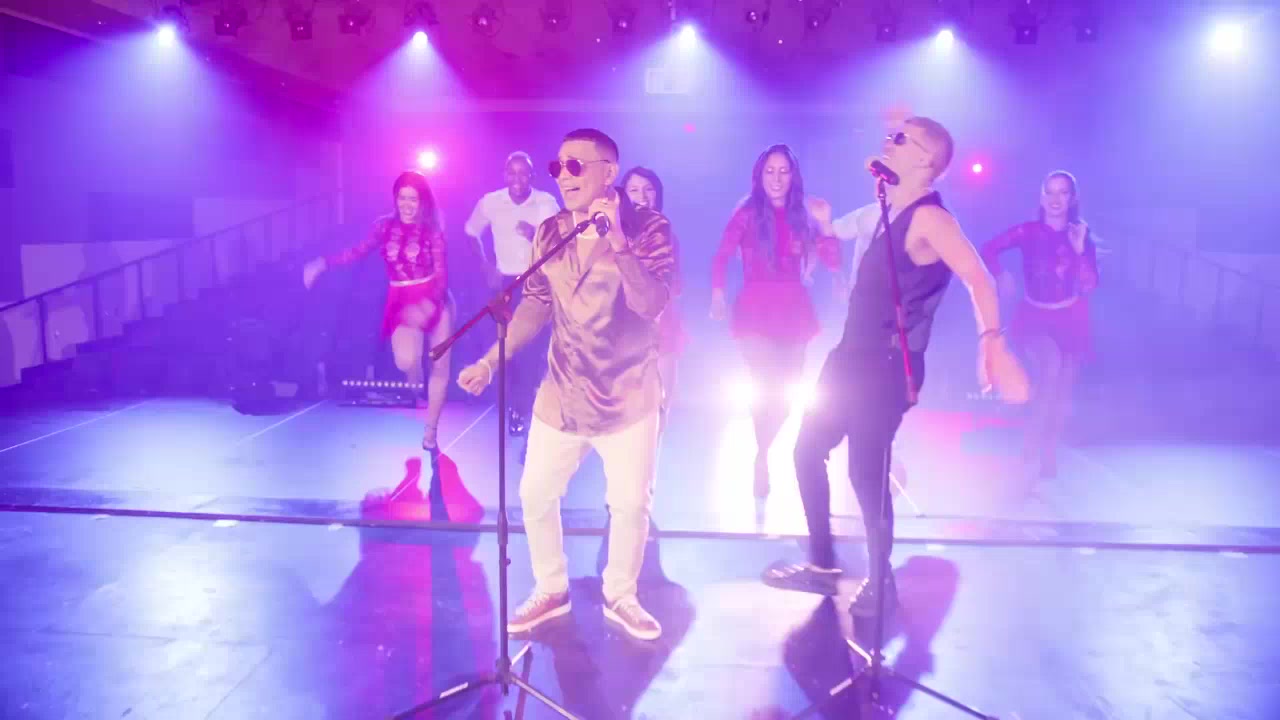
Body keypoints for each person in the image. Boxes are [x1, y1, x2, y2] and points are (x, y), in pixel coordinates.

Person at [764, 118, 1029, 618]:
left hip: (887, 366)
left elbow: (979, 278)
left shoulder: (932, 220)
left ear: (927, 160)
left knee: (866, 473)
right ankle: (821, 564)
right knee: (806, 450)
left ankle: (881, 580)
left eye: (902, 138)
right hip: (849, 357)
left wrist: (992, 344)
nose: (889, 141)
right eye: (892, 134)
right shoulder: (889, 207)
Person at [457, 129, 675, 641]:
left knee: (629, 505)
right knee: (535, 495)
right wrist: (490, 361)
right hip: (563, 389)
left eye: (576, 166)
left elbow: (652, 304)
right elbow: (536, 304)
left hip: (627, 393)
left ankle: (621, 595)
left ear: (608, 172)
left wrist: (618, 243)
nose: (563, 176)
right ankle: (551, 588)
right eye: (558, 167)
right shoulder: (551, 231)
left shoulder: (648, 227)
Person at [709, 144, 841, 498]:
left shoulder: (804, 215)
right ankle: (762, 459)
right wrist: (718, 293)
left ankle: (763, 450)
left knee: (786, 393)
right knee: (765, 382)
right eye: (770, 171)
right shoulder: (747, 213)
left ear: (793, 176)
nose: (777, 179)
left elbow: (832, 260)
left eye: (783, 171)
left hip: (794, 308)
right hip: (755, 308)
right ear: (760, 176)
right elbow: (721, 255)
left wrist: (826, 223)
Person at [303, 170, 453, 452]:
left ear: (422, 201)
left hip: (434, 298)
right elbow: (356, 252)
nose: (407, 205)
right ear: (395, 199)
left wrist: (427, 306)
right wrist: (322, 263)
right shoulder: (384, 227)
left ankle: (431, 431)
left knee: (440, 366)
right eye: (402, 198)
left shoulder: (433, 230)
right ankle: (415, 379)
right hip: (401, 298)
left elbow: (442, 276)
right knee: (405, 361)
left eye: (413, 199)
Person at [981, 170, 1100, 480]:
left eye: (1063, 192)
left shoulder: (1081, 235)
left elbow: (1089, 285)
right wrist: (1001, 274)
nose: (1056, 199)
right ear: (1042, 196)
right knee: (1050, 367)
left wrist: (1078, 249)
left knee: (1061, 391)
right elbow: (988, 248)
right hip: (1034, 317)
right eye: (1050, 192)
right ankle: (1030, 446)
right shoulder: (1028, 231)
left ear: (1072, 198)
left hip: (1071, 318)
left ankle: (1047, 451)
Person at [463, 151, 562, 439]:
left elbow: (562, 242)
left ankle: (521, 409)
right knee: (505, 348)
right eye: (512, 172)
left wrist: (536, 235)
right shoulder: (491, 202)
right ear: (505, 175)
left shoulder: (546, 203)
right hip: (504, 285)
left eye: (524, 173)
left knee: (530, 349)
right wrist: (485, 265)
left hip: (538, 283)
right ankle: (514, 405)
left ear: (532, 176)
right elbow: (470, 232)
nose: (518, 179)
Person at [621, 166, 683, 428]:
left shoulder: (667, 235)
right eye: (634, 190)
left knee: (661, 404)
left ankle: (655, 447)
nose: (642, 196)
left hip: (661, 322)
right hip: (622, 325)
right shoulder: (614, 234)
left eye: (649, 190)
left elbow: (675, 284)